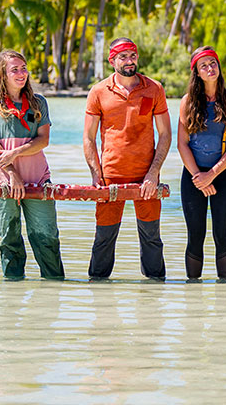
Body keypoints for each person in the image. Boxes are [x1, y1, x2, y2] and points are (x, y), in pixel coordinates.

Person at [84, 38, 171, 280]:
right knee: (103, 238)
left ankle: (154, 297)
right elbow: (89, 138)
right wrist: (95, 174)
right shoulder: (99, 92)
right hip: (110, 178)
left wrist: (153, 173)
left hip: (147, 178)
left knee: (152, 238)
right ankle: (98, 295)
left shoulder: (154, 88)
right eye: (123, 56)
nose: (129, 60)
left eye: (132, 55)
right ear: (112, 60)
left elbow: (165, 135)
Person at [0, 50, 64, 280]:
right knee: (10, 240)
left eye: (23, 68)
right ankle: (13, 295)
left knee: (47, 239)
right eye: (14, 69)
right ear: (2, 74)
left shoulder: (38, 103)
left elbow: (43, 140)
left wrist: (16, 151)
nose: (21, 73)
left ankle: (55, 289)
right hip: (3, 183)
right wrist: (13, 175)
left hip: (38, 180)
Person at [176, 46, 226, 280]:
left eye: (213, 63)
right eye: (203, 65)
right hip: (192, 176)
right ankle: (193, 294)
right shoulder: (187, 102)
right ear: (197, 72)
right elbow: (182, 144)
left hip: (223, 175)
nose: (210, 68)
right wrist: (198, 177)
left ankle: (224, 293)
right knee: (195, 235)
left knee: (222, 234)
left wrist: (211, 175)